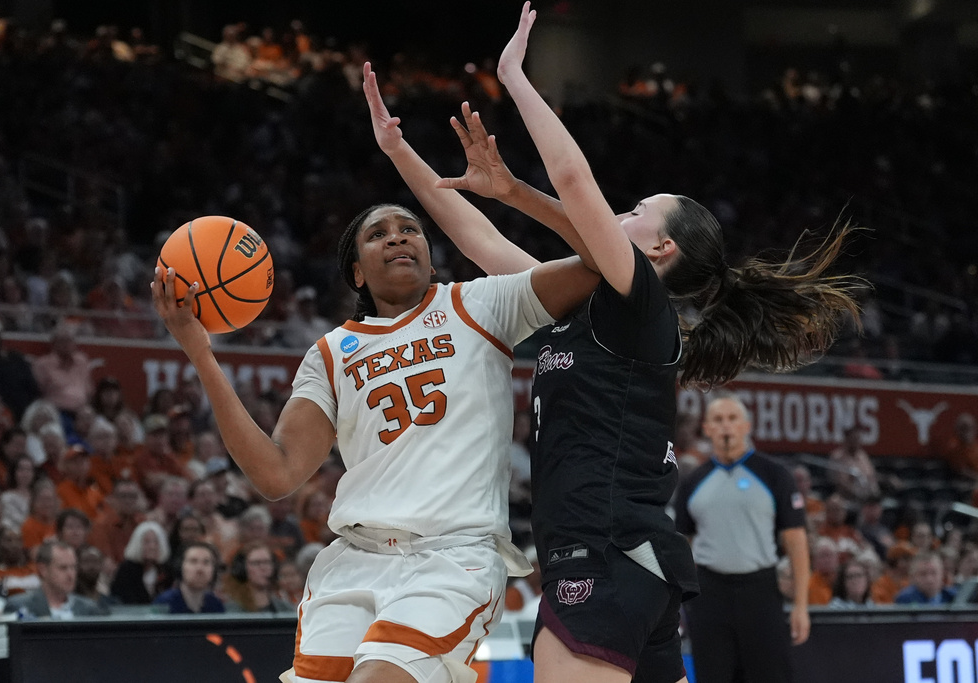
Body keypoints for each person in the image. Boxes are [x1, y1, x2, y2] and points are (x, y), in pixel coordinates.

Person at [421, 7, 859, 682]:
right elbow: (483, 243)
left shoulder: (643, 305)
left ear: (660, 247)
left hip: (600, 561)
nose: (617, 213)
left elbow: (574, 185)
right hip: (633, 570)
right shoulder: (584, 306)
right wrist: (400, 152)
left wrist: (515, 77)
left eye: (635, 212)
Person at [152, 64, 597, 683]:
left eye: (410, 228)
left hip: (452, 560)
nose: (399, 237)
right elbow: (276, 474)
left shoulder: (480, 303)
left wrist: (517, 193)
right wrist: (199, 350)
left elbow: (599, 260)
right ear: (356, 272)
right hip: (353, 561)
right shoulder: (331, 352)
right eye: (379, 233)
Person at [674, 395, 811, 683]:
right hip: (709, 594)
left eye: (733, 418)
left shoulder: (775, 475)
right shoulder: (692, 481)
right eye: (719, 420)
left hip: (760, 590)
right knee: (714, 675)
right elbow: (681, 543)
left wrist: (800, 604)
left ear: (747, 425)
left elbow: (796, 541)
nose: (726, 426)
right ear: (707, 428)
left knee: (772, 675)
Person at [3, 540, 109, 618]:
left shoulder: (90, 609)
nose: (71, 575)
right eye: (63, 568)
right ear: (43, 569)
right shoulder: (19, 606)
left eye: (73, 567)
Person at [152, 541, 225, 614]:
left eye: (206, 562)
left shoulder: (215, 604)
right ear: (180, 567)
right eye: (193, 561)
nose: (200, 569)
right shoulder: (165, 602)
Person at [109, 520, 171, 604]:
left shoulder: (166, 570)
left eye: (156, 542)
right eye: (147, 542)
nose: (152, 547)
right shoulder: (126, 570)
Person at [222, 542, 294, 614]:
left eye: (267, 562)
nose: (263, 568)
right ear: (242, 568)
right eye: (256, 563)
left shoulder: (285, 609)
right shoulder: (232, 610)